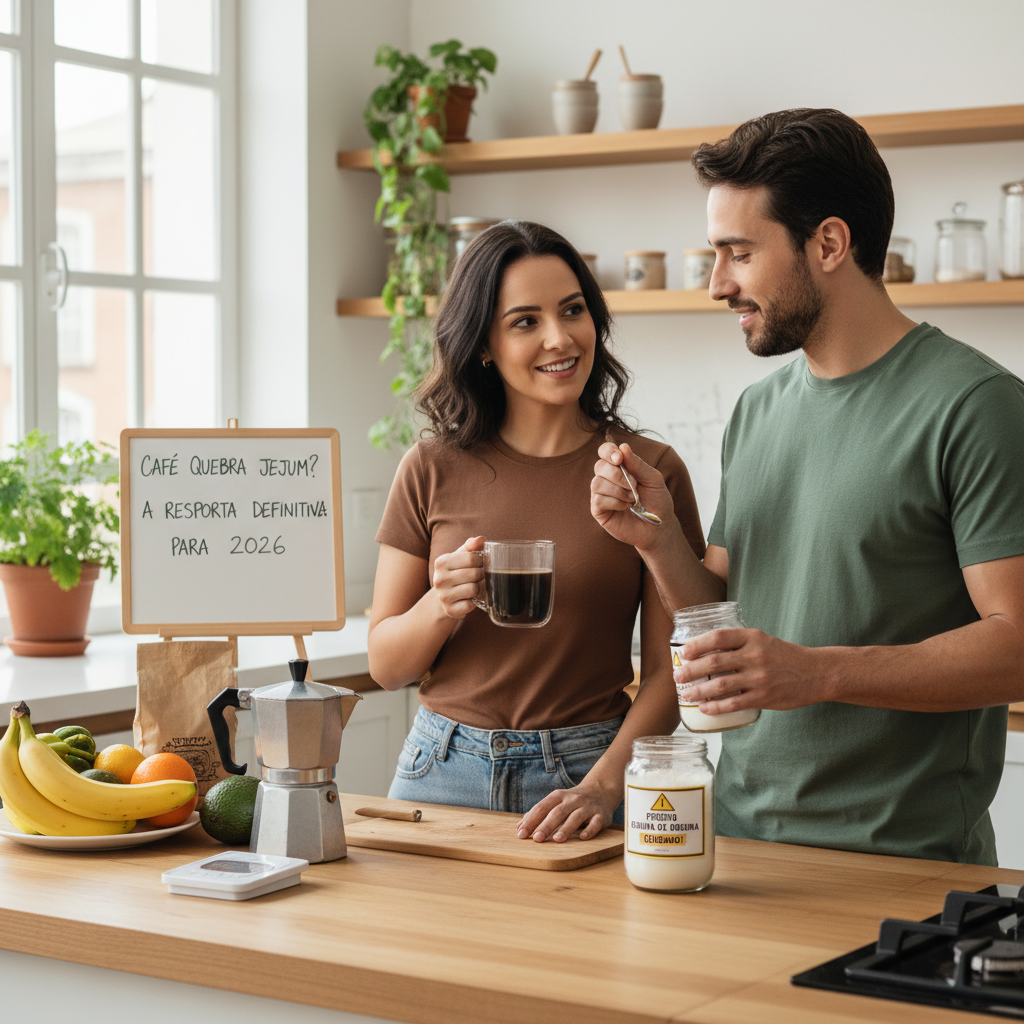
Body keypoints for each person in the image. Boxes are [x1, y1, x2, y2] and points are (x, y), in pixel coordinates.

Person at [590, 108, 1024, 865]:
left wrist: (815, 671)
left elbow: (1017, 645)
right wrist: (657, 541)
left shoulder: (976, 405)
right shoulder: (759, 408)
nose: (718, 283)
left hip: (905, 865)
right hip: (740, 848)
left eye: (738, 252)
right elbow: (718, 616)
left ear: (829, 242)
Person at [368, 220, 712, 843]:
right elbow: (386, 666)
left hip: (592, 771)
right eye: (525, 321)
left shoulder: (648, 472)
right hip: (438, 770)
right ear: (482, 345)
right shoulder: (429, 468)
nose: (560, 338)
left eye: (573, 310)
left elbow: (672, 673)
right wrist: (440, 606)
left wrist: (606, 785)